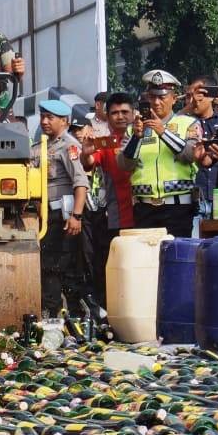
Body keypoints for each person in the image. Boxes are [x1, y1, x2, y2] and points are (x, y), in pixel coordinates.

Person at [118, 70, 201, 239]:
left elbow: (189, 155)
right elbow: (124, 165)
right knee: (146, 262)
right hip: (144, 208)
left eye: (162, 97)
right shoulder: (134, 128)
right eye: (152, 97)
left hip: (178, 208)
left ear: (174, 99)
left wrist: (163, 132)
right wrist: (136, 138)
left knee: (176, 259)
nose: (156, 102)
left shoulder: (188, 123)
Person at [79, 92, 134, 308]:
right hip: (117, 216)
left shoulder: (147, 137)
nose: (120, 116)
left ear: (133, 113)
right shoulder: (105, 141)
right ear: (107, 116)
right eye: (115, 113)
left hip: (146, 213)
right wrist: (86, 153)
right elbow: (90, 162)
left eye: (125, 112)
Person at [36, 100, 88, 317]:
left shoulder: (69, 146)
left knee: (63, 268)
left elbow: (80, 182)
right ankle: (54, 313)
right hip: (43, 214)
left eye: (50, 117)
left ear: (65, 121)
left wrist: (76, 216)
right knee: (48, 267)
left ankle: (74, 318)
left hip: (61, 215)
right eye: (43, 116)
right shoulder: (40, 146)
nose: (45, 121)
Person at [183, 75, 218, 219]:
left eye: (199, 94)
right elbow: (171, 123)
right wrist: (190, 105)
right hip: (194, 201)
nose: (194, 99)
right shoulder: (183, 123)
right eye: (189, 95)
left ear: (210, 96)